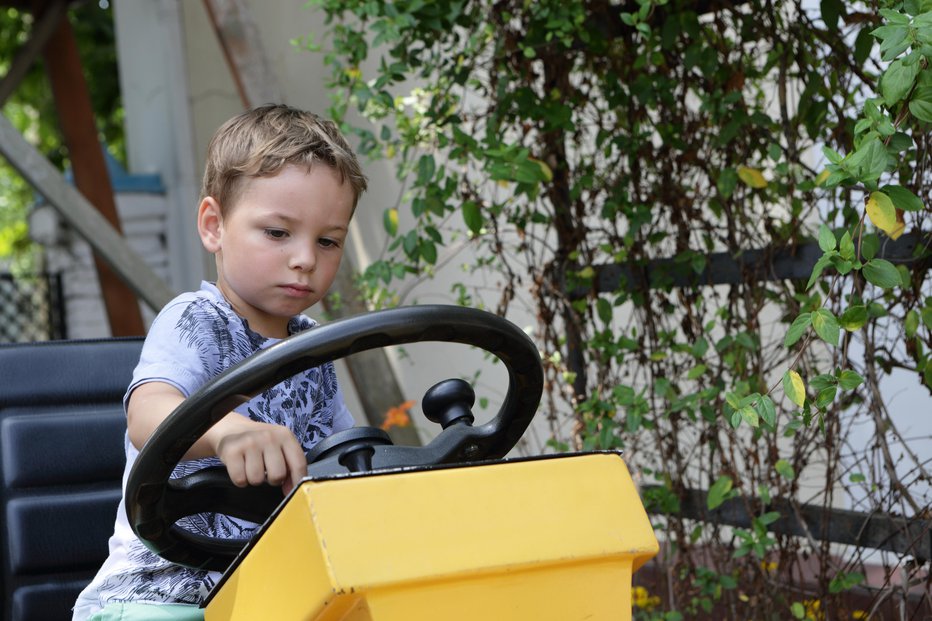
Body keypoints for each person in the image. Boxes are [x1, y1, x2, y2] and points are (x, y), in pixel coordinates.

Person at [72, 103, 368, 621]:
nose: (305, 258)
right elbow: (148, 413)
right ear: (214, 226)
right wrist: (227, 433)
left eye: (328, 241)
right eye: (278, 233)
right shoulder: (196, 321)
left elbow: (343, 455)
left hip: (269, 593)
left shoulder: (314, 348)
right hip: (159, 594)